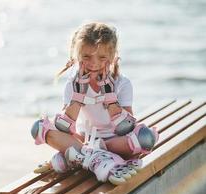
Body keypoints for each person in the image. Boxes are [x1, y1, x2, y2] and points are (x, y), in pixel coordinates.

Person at [30, 22, 158, 185]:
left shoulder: (122, 83)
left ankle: (76, 157)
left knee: (145, 139)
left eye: (102, 57)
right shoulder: (72, 84)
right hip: (85, 138)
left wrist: (110, 98)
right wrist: (78, 96)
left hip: (115, 140)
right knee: (39, 128)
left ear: (112, 57)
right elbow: (65, 127)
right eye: (86, 57)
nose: (94, 63)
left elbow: (127, 127)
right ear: (76, 56)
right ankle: (95, 159)